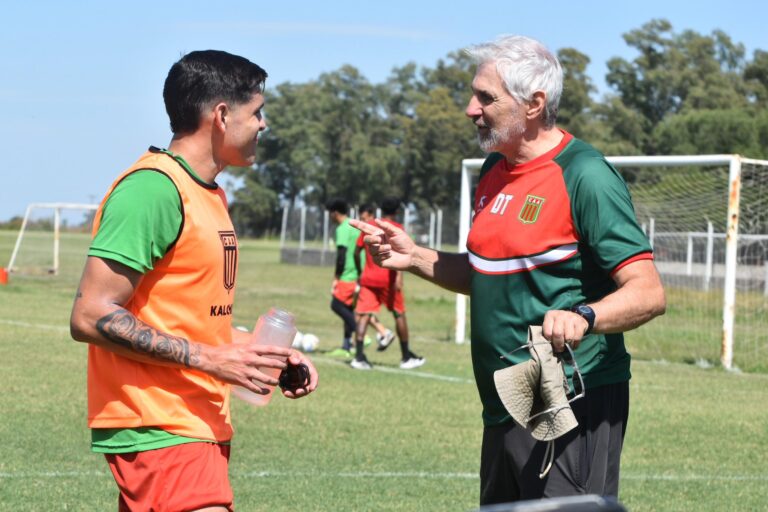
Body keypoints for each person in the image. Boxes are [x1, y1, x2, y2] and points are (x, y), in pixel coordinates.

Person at [351, 35, 665, 505]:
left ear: (534, 104)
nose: (470, 109)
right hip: (507, 401)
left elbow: (649, 292)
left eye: (486, 97)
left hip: (572, 396)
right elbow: (488, 273)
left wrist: (585, 316)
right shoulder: (493, 170)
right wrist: (414, 257)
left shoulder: (585, 174)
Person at [69, 50, 318, 511]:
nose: (263, 124)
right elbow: (90, 314)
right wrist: (212, 359)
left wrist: (256, 353)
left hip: (197, 420)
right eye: (257, 112)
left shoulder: (210, 195)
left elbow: (191, 321)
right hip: (158, 420)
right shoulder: (153, 189)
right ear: (221, 115)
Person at [351, 200, 425, 370]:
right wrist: (399, 277)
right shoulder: (397, 228)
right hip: (389, 280)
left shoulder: (370, 226)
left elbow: (356, 252)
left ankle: (359, 357)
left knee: (363, 316)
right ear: (397, 211)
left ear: (381, 210)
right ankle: (406, 357)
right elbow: (402, 254)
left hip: (368, 279)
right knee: (399, 314)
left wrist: (360, 271)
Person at [325, 199, 395, 358]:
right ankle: (348, 345)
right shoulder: (355, 224)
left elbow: (342, 255)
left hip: (349, 275)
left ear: (335, 213)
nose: (329, 216)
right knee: (352, 309)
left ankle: (362, 334)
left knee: (337, 305)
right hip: (359, 272)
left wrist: (336, 277)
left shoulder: (342, 228)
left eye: (330, 213)